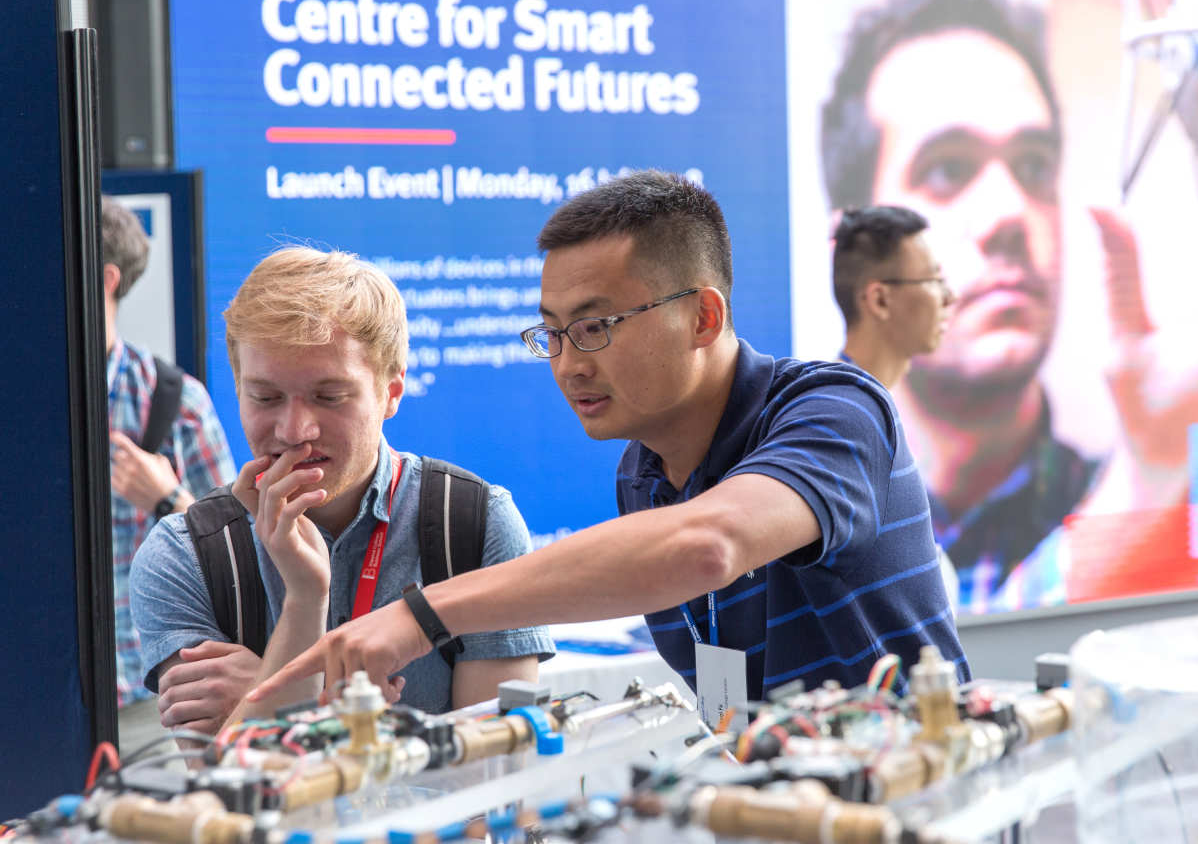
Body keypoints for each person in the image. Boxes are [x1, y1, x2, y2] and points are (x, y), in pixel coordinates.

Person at [248, 171, 967, 718]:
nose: (569, 363)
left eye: (595, 327)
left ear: (703, 317)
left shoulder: (832, 409)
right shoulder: (643, 473)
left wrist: (420, 615)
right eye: (553, 334)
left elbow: (708, 546)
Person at [818, 0, 1198, 611]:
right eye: (948, 169)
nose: (1009, 213)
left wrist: (1153, 471)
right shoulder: (791, 531)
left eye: (1034, 165)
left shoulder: (1154, 506)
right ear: (853, 252)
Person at [129, 247, 553, 732]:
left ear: (391, 393)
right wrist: (307, 600)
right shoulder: (185, 554)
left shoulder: (474, 524)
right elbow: (218, 790)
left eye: (329, 397)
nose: (294, 430)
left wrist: (269, 693)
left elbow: (493, 779)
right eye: (265, 397)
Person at [102, 195, 236, 754]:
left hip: (140, 701)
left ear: (103, 278)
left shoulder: (173, 400)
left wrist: (166, 497)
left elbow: (243, 552)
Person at [832, 205, 954, 390]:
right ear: (879, 301)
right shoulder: (840, 409)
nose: (951, 297)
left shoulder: (861, 400)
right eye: (934, 280)